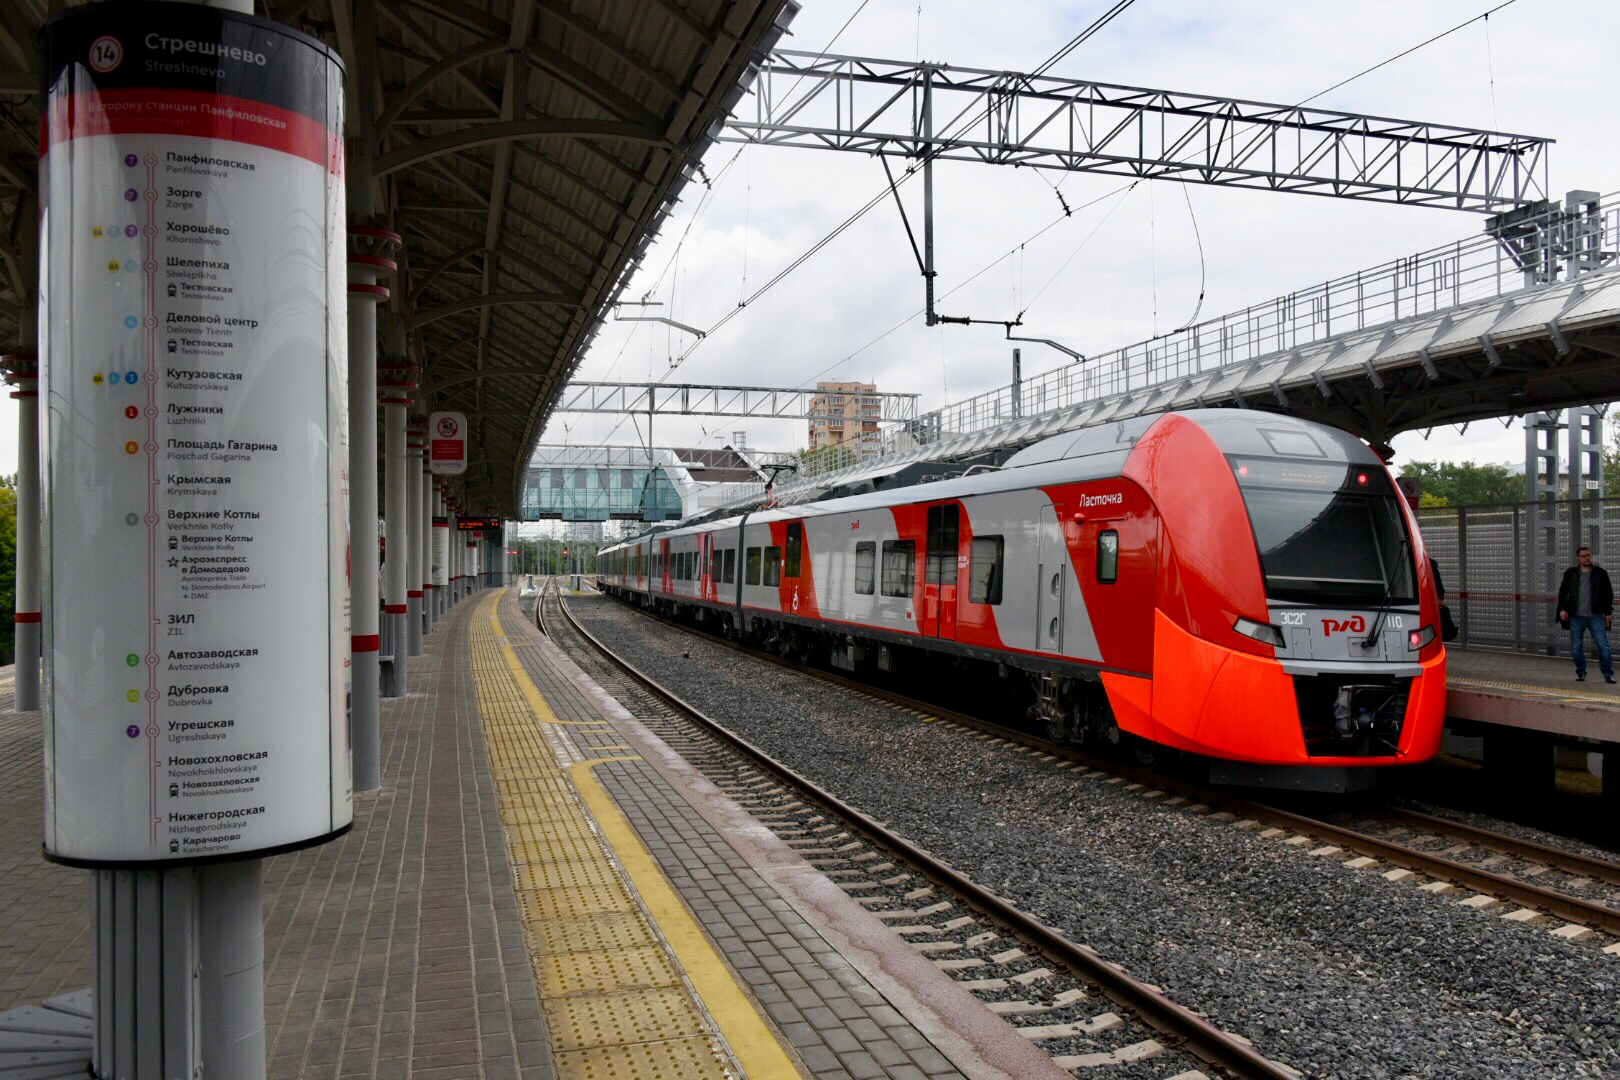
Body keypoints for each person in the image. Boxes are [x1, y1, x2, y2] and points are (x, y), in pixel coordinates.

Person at [1556, 546, 1614, 683]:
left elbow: (1608, 594)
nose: (1587, 558)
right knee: (1576, 646)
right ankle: (1581, 672)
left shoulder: (1600, 573)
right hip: (1576, 616)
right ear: (1578, 558)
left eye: (1588, 555)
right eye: (1583, 556)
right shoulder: (1571, 574)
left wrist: (1608, 613)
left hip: (1596, 615)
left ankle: (1607, 674)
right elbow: (1563, 592)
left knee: (1603, 645)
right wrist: (1562, 609)